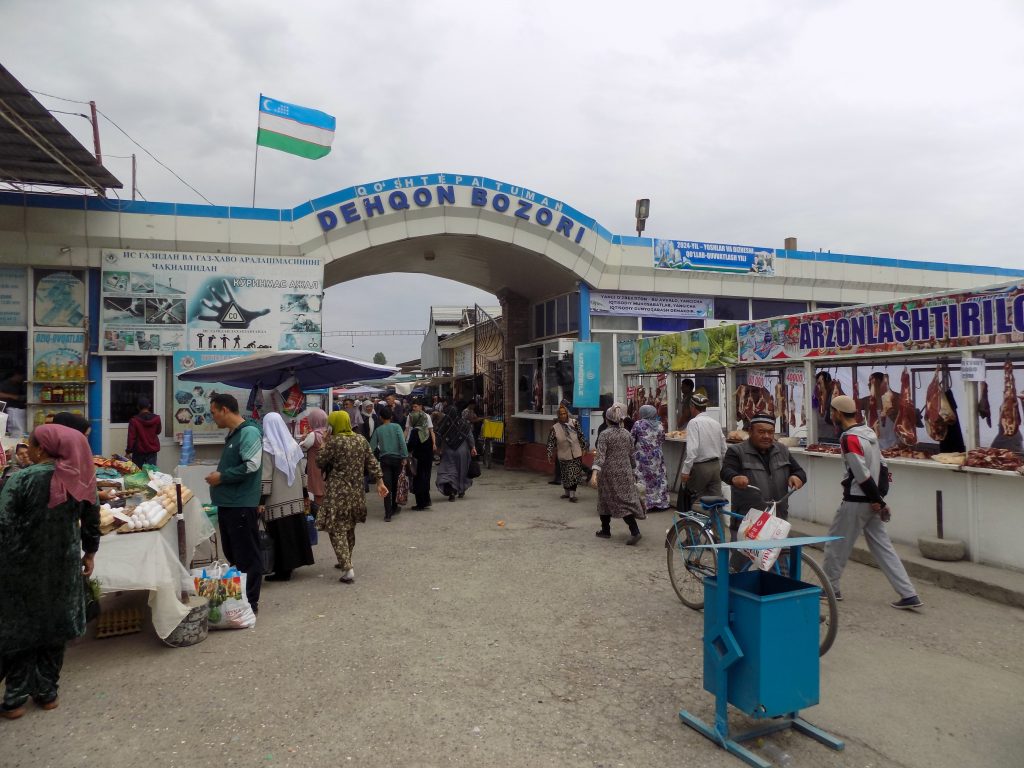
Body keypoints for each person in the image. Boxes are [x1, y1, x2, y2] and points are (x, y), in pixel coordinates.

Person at [0, 424, 99, 718]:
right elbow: (92, 519)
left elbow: (3, 522)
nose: (27, 450)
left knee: (20, 628)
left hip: (21, 567)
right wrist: (89, 553)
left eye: (30, 445)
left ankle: (15, 699)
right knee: (56, 627)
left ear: (42, 449)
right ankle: (47, 693)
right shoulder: (80, 478)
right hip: (63, 567)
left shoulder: (21, 480)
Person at [823, 395, 923, 609]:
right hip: (871, 500)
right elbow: (883, 466)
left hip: (857, 500)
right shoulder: (868, 433)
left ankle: (830, 588)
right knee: (884, 548)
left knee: (836, 544)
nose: (831, 415)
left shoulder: (849, 438)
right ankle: (908, 593)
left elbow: (860, 473)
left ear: (838, 413)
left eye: (832, 412)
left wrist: (876, 499)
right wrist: (880, 498)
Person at [204, 394, 264, 613]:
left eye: (213, 412)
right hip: (229, 504)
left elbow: (251, 465)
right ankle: (238, 600)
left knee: (247, 555)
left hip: (241, 505)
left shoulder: (249, 432)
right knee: (234, 553)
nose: (212, 417)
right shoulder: (234, 434)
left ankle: (250, 603)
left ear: (225, 410)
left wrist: (222, 477)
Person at [316, 411, 387, 583]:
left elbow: (320, 461)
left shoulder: (334, 442)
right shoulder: (360, 440)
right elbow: (372, 462)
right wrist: (380, 482)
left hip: (337, 492)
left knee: (336, 528)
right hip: (356, 491)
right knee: (349, 526)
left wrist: (324, 443)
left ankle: (347, 568)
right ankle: (346, 559)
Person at [721, 413, 806, 541]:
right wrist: (734, 477)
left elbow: (799, 471)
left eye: (770, 432)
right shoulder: (736, 451)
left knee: (781, 553)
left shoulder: (782, 450)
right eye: (761, 432)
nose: (766, 436)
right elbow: (726, 471)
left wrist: (797, 476)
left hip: (777, 522)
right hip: (748, 522)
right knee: (743, 554)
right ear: (750, 431)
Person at [259, 412, 314, 582]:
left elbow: (266, 476)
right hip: (295, 498)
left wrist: (261, 501)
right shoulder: (292, 444)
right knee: (294, 531)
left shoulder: (267, 447)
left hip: (277, 500)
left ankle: (282, 571)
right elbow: (301, 471)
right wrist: (304, 493)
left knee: (280, 534)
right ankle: (292, 565)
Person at [589, 403, 644, 544]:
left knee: (604, 500)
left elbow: (600, 457)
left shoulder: (604, 434)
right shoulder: (626, 434)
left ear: (607, 419)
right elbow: (632, 455)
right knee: (624, 501)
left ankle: (606, 530)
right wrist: (633, 470)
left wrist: (594, 475)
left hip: (608, 474)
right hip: (625, 472)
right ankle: (634, 531)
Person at [679, 393, 727, 511]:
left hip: (700, 468)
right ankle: (716, 523)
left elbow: (693, 450)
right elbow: (724, 448)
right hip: (715, 467)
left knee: (695, 501)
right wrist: (722, 467)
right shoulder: (715, 423)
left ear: (692, 407)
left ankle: (694, 523)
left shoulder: (694, 422)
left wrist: (685, 470)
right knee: (716, 502)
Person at [369, 406, 408, 521]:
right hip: (397, 459)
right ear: (391, 416)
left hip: (385, 460)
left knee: (386, 486)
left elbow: (371, 447)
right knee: (396, 484)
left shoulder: (378, 430)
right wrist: (404, 456)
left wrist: (370, 459)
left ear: (380, 418)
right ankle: (394, 507)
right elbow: (402, 442)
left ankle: (388, 514)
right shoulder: (397, 427)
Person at [631, 404, 671, 512]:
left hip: (642, 457)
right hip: (657, 457)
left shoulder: (638, 424)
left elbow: (631, 439)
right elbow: (662, 439)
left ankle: (646, 504)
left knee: (643, 479)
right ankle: (660, 503)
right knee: (659, 478)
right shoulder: (660, 425)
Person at [546, 404, 588, 502]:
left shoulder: (574, 423)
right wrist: (549, 453)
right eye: (561, 414)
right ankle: (567, 493)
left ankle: (572, 495)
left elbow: (580, 435)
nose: (563, 415)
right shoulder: (555, 428)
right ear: (558, 415)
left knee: (573, 474)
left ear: (567, 414)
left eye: (564, 413)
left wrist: (584, 447)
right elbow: (551, 442)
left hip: (575, 452)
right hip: (563, 453)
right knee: (565, 475)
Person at [435, 406, 477, 501]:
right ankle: (461, 490)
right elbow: (469, 436)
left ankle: (452, 492)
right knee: (462, 470)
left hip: (449, 452)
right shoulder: (464, 423)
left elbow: (439, 437)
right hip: (463, 451)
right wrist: (473, 447)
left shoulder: (444, 424)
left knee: (449, 472)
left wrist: (438, 448)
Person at [404, 398, 436, 510]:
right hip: (427, 457)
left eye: (416, 406)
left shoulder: (415, 432)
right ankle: (426, 501)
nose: (414, 409)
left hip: (417, 460)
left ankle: (421, 503)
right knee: (426, 477)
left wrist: (405, 450)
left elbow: (411, 446)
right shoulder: (425, 433)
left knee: (418, 479)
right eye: (413, 407)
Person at [298, 407, 329, 513]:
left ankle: (319, 515)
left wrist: (303, 437)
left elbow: (302, 447)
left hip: (316, 467)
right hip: (326, 467)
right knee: (324, 491)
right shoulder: (327, 432)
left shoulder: (313, 435)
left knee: (318, 493)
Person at [126, 397, 162, 468]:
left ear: (138, 407)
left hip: (138, 452)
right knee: (151, 472)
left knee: (138, 472)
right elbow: (158, 431)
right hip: (152, 451)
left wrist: (128, 451)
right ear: (149, 406)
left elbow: (131, 438)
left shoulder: (134, 420)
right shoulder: (157, 418)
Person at [0, 369, 26, 437]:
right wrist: (14, 397)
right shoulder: (4, 384)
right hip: (7, 409)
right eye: (21, 376)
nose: (22, 378)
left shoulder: (19, 385)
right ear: (16, 375)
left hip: (16, 410)